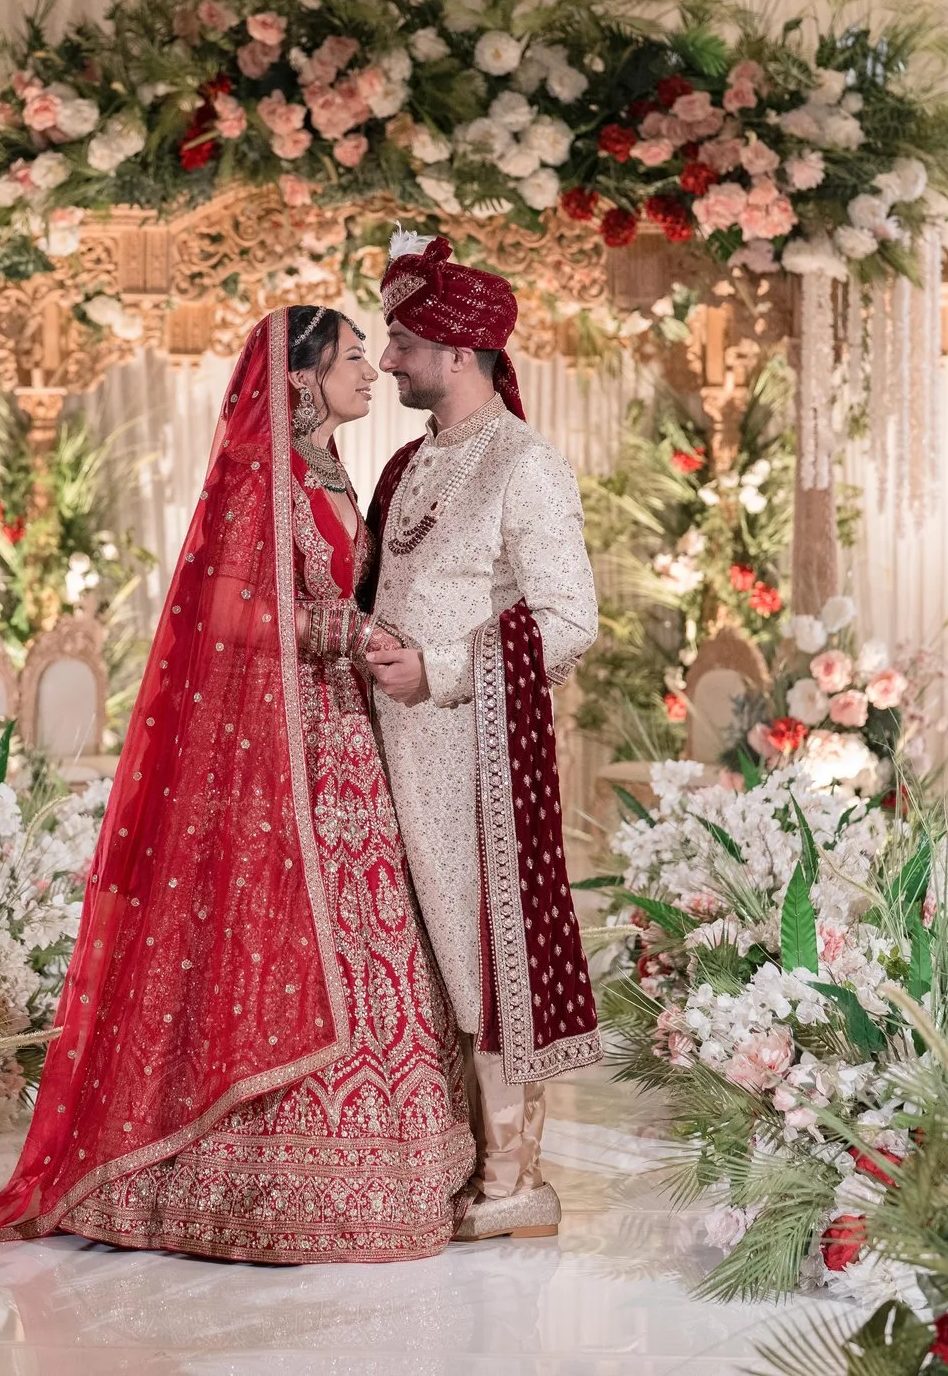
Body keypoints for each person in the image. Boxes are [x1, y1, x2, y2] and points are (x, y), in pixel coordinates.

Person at [0, 306, 473, 1262]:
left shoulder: (339, 473)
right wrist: (336, 635)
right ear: (301, 378)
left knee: (369, 934)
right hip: (278, 751)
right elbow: (224, 609)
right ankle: (235, 1178)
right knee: (272, 928)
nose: (371, 372)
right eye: (353, 358)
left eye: (375, 358)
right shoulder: (263, 476)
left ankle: (385, 1165)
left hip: (346, 737)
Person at [358, 227, 601, 1243]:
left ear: (458, 352)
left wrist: (441, 668)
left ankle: (513, 1180)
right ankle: (450, 1155)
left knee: (477, 955)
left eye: (402, 344)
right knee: (415, 957)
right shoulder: (412, 462)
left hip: (472, 759)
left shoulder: (523, 466)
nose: (385, 362)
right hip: (385, 753)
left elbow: (571, 619)